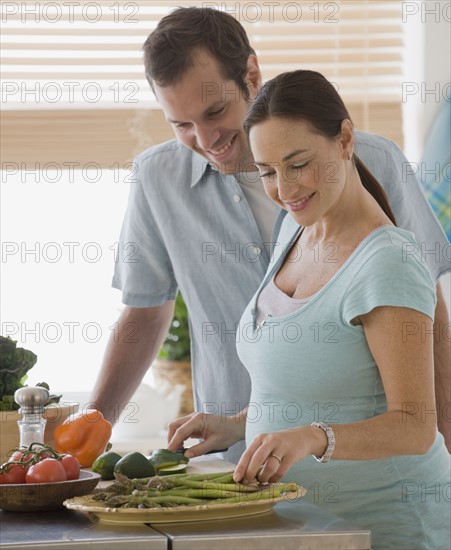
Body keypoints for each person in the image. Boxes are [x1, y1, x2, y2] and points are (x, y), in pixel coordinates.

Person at [90, 7, 451, 461]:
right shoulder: (157, 179)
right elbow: (143, 317)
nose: (205, 140)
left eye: (215, 111)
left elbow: (429, 313)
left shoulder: (372, 160)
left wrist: (446, 450)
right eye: (181, 125)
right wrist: (86, 437)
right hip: (231, 464)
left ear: (252, 75)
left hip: (366, 468)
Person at [166, 70, 451, 550]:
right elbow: (323, 388)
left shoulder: (387, 261)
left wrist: (311, 439)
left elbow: (415, 425)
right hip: (310, 528)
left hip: (387, 530)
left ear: (344, 139)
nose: (284, 188)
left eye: (298, 164)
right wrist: (237, 424)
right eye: (268, 171)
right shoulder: (296, 230)